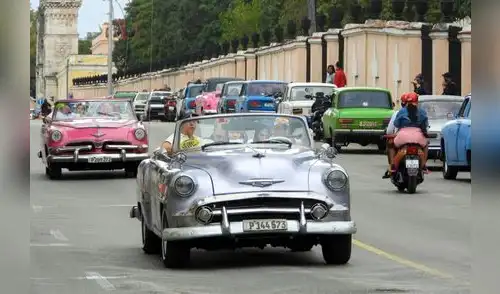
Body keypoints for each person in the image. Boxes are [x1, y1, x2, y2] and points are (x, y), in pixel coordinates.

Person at [392, 92, 430, 173]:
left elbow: (396, 124)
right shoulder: (422, 112)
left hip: (403, 137)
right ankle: (424, 166)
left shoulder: (402, 111)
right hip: (418, 137)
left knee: (391, 145)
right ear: (417, 101)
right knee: (426, 145)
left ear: (406, 102)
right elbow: (425, 125)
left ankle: (393, 165)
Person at [383, 93, 408, 178]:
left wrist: (388, 134)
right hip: (418, 140)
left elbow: (390, 130)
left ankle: (392, 165)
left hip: (401, 138)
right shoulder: (420, 113)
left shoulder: (398, 113)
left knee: (390, 144)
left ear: (402, 103)